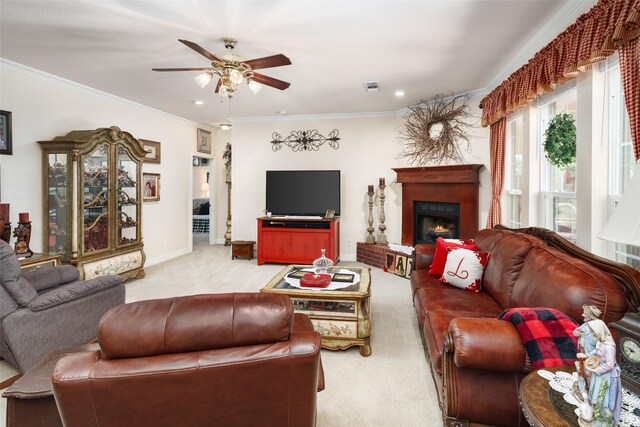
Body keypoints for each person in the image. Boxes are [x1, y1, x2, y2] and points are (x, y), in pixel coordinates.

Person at [586, 319, 622, 425]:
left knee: (605, 396)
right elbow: (596, 351)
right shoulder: (600, 341)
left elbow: (610, 364)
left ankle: (605, 420)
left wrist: (597, 370)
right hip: (600, 373)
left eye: (593, 331)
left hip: (608, 375)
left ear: (599, 331)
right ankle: (595, 413)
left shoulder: (609, 347)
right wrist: (586, 355)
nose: (592, 334)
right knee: (595, 393)